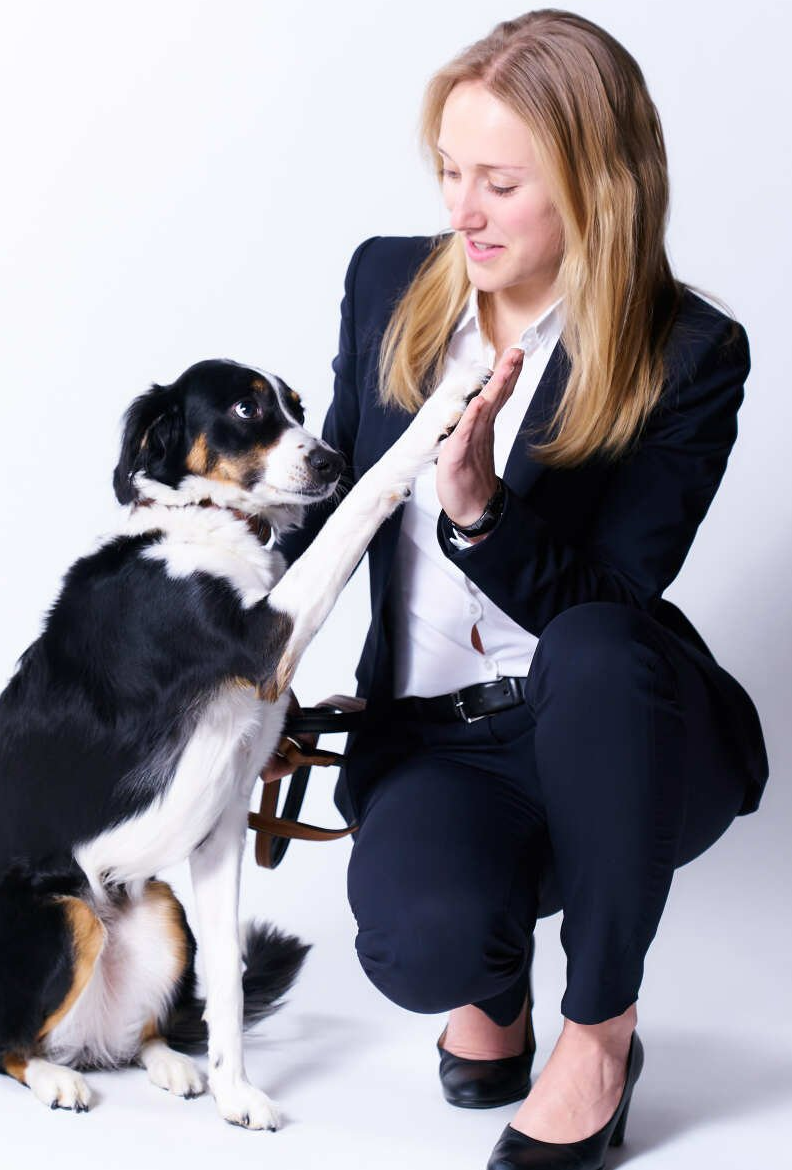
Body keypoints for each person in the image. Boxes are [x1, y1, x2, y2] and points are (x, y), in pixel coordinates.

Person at [270, 10, 769, 1169]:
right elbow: (334, 502)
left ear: (596, 186)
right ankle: (492, 983)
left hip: (617, 728)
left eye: (499, 182)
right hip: (437, 739)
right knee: (420, 946)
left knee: (596, 646)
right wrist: (222, 640)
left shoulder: (687, 352)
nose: (463, 209)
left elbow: (614, 595)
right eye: (450, 171)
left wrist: (480, 513)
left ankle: (597, 1041)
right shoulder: (388, 280)